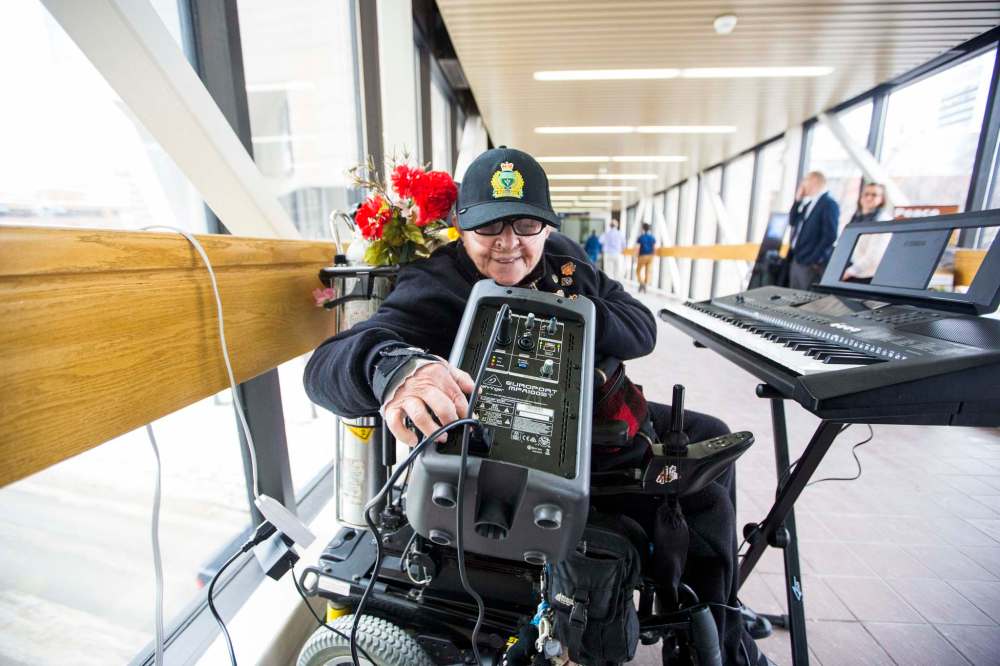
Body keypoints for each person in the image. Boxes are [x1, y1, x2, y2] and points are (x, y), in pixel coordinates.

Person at [304, 147, 765, 666]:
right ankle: (718, 643)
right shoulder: (437, 284)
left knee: (711, 432)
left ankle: (719, 606)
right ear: (461, 226)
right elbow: (325, 366)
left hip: (597, 412)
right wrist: (397, 371)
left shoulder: (562, 259)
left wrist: (570, 312)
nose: (509, 244)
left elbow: (641, 326)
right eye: (489, 227)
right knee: (704, 499)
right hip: (531, 454)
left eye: (526, 225)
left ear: (547, 225)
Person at [786, 171, 839, 290]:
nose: (802, 184)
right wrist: (797, 201)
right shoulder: (809, 204)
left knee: (806, 298)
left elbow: (830, 236)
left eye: (805, 180)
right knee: (793, 296)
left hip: (809, 263)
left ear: (814, 181)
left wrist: (813, 259)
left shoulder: (829, 204)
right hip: (797, 259)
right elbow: (792, 221)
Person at [841, 183, 893, 283]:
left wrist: (850, 271)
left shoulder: (883, 221)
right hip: (849, 270)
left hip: (867, 276)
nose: (869, 198)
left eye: (874, 195)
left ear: (882, 199)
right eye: (866, 194)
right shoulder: (855, 218)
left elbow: (874, 255)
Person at [636, 223, 657, 293]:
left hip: (642, 255)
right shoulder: (652, 237)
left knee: (638, 271)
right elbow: (654, 248)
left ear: (643, 228)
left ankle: (641, 283)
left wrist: (636, 255)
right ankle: (645, 284)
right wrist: (653, 256)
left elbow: (638, 247)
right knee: (647, 271)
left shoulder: (641, 237)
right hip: (650, 256)